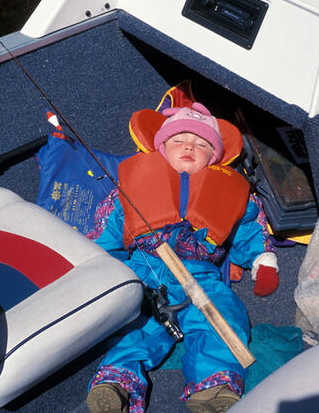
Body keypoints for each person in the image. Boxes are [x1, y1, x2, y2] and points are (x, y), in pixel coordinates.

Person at [85, 103, 280, 413]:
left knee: (224, 318)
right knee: (133, 325)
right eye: (178, 140)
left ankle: (214, 385)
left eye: (202, 144)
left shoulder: (231, 192)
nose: (190, 146)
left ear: (214, 157)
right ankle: (117, 383)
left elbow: (251, 229)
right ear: (161, 148)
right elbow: (106, 231)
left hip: (201, 276)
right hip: (144, 271)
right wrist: (98, 266)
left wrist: (263, 261)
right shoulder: (132, 187)